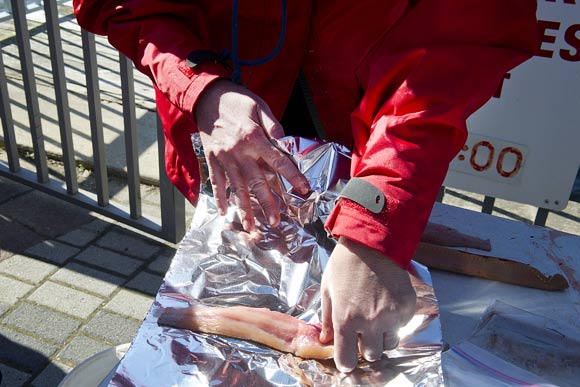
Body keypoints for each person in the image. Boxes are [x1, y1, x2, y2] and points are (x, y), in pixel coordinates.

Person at [73, 0, 537, 373]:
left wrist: (378, 226)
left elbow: (456, 46)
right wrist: (200, 86)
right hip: (226, 143)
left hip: (374, 141)